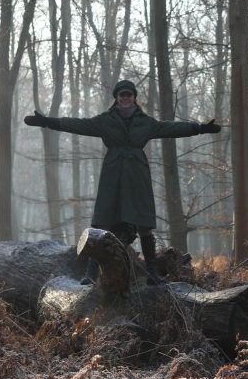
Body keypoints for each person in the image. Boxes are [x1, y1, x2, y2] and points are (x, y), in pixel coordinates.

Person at [24, 79, 221, 280]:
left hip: (137, 176)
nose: (125, 98)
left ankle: (152, 273)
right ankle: (91, 274)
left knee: (144, 223)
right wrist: (47, 122)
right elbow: (78, 124)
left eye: (129, 95)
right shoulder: (105, 121)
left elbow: (171, 128)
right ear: (116, 99)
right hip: (113, 174)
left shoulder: (146, 122)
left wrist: (200, 128)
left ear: (134, 98)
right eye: (122, 95)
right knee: (102, 221)